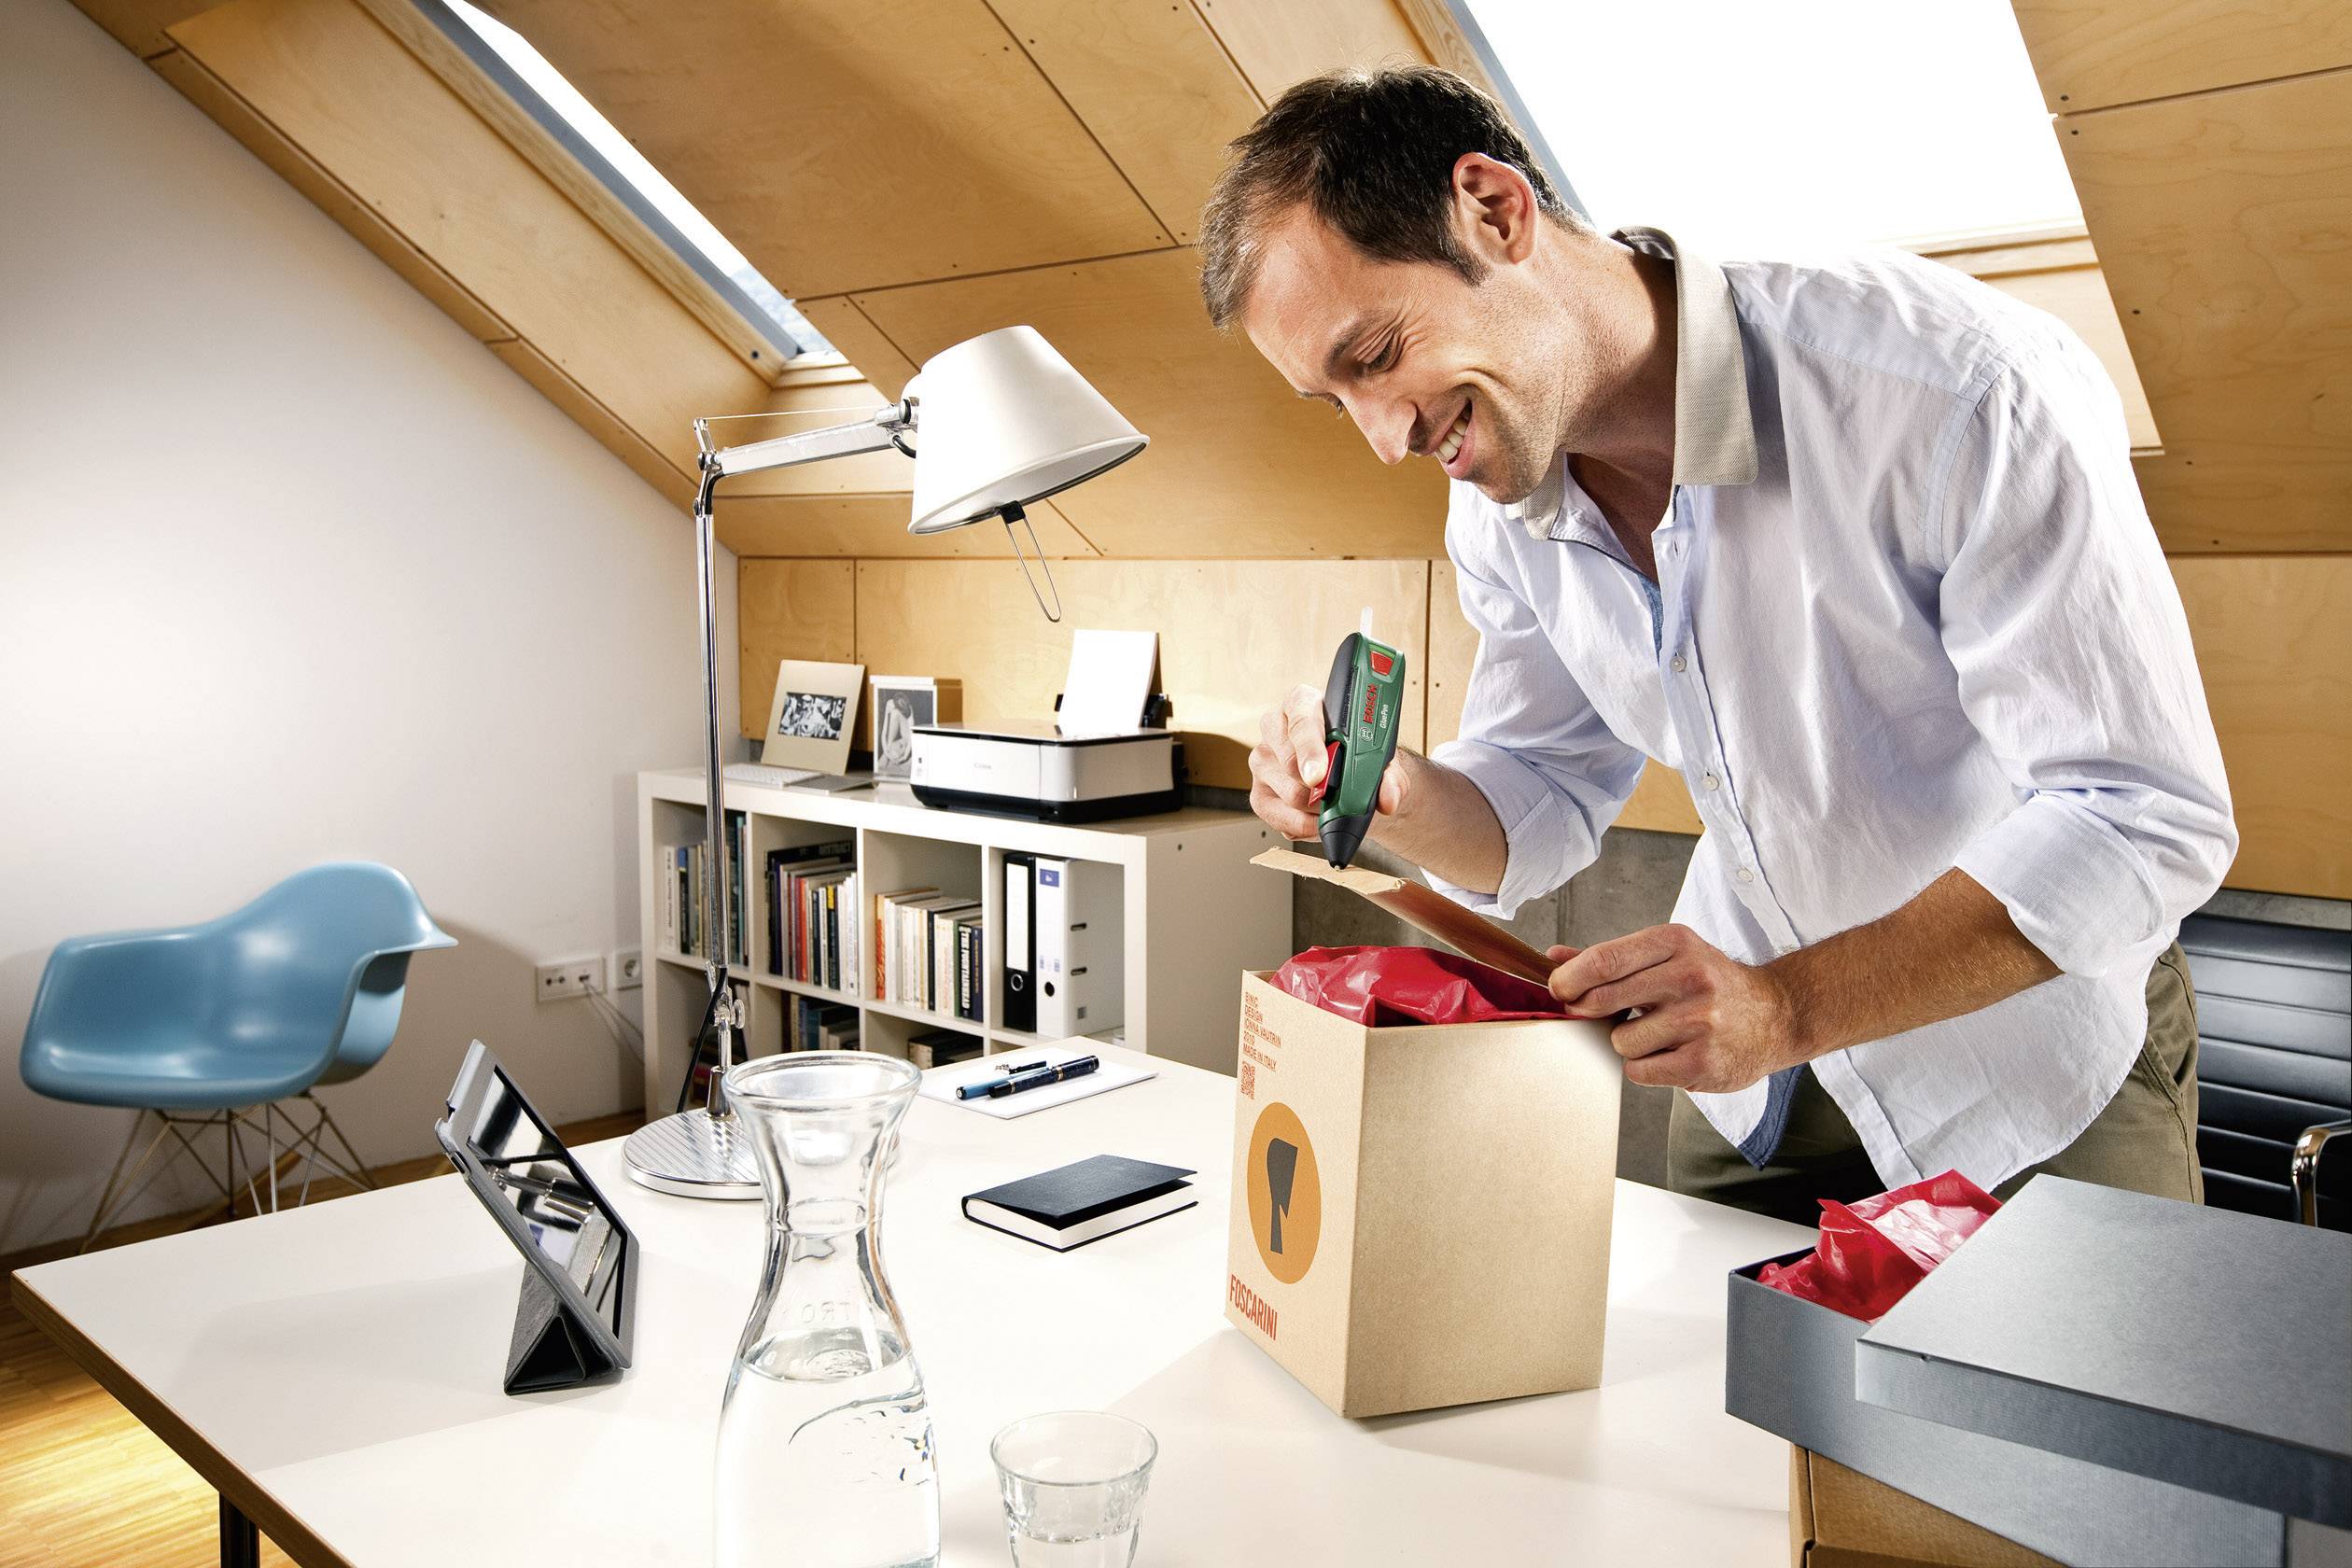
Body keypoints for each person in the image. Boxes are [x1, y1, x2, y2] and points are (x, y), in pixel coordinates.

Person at [1201, 65, 2233, 1225]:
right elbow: (1535, 795)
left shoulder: (1964, 393)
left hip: (2030, 1067)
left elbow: (2140, 815)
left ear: (1495, 210)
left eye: (1376, 354)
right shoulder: (1498, 493)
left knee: (2064, 1410)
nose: (1384, 440)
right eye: (1331, 400)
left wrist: (1788, 1005)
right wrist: (1390, 788)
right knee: (1700, 1409)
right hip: (1756, 1089)